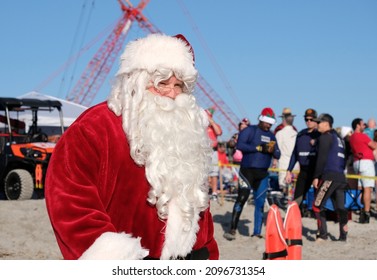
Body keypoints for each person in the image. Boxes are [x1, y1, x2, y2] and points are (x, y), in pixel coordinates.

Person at [44, 33, 219, 260]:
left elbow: (199, 208)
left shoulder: (188, 133)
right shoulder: (96, 126)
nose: (173, 94)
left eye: (179, 86)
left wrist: (208, 255)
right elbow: (70, 199)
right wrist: (110, 255)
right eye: (162, 83)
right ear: (136, 82)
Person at [223, 107, 281, 240]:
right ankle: (232, 229)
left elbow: (278, 153)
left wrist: (272, 151)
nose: (268, 125)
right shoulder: (250, 130)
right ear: (261, 119)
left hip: (262, 174)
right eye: (267, 122)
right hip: (247, 172)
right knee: (241, 199)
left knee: (260, 203)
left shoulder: (272, 136)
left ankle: (257, 232)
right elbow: (240, 145)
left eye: (271, 123)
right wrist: (258, 148)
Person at [312, 113, 348, 241]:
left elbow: (321, 158)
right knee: (340, 208)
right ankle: (343, 236)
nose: (317, 125)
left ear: (326, 124)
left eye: (319, 122)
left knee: (317, 205)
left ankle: (322, 235)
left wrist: (316, 176)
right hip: (340, 177)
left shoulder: (325, 137)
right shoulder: (339, 138)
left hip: (330, 176)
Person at [285, 108, 320, 212]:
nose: (309, 121)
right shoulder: (301, 134)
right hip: (303, 171)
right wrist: (288, 171)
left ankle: (321, 227)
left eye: (311, 119)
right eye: (306, 119)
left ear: (316, 120)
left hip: (316, 172)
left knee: (318, 202)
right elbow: (295, 154)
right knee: (297, 200)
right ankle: (296, 225)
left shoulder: (320, 135)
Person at [349, 118, 377, 224]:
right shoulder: (362, 135)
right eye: (362, 124)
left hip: (357, 162)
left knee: (361, 188)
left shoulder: (352, 137)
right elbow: (374, 145)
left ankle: (362, 210)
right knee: (367, 189)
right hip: (366, 163)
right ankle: (366, 212)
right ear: (357, 125)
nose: (364, 126)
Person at [275, 108, 298, 200]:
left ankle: (287, 201)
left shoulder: (279, 133)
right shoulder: (296, 133)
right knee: (293, 185)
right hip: (295, 162)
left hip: (284, 161)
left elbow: (277, 150)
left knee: (284, 185)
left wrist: (275, 161)